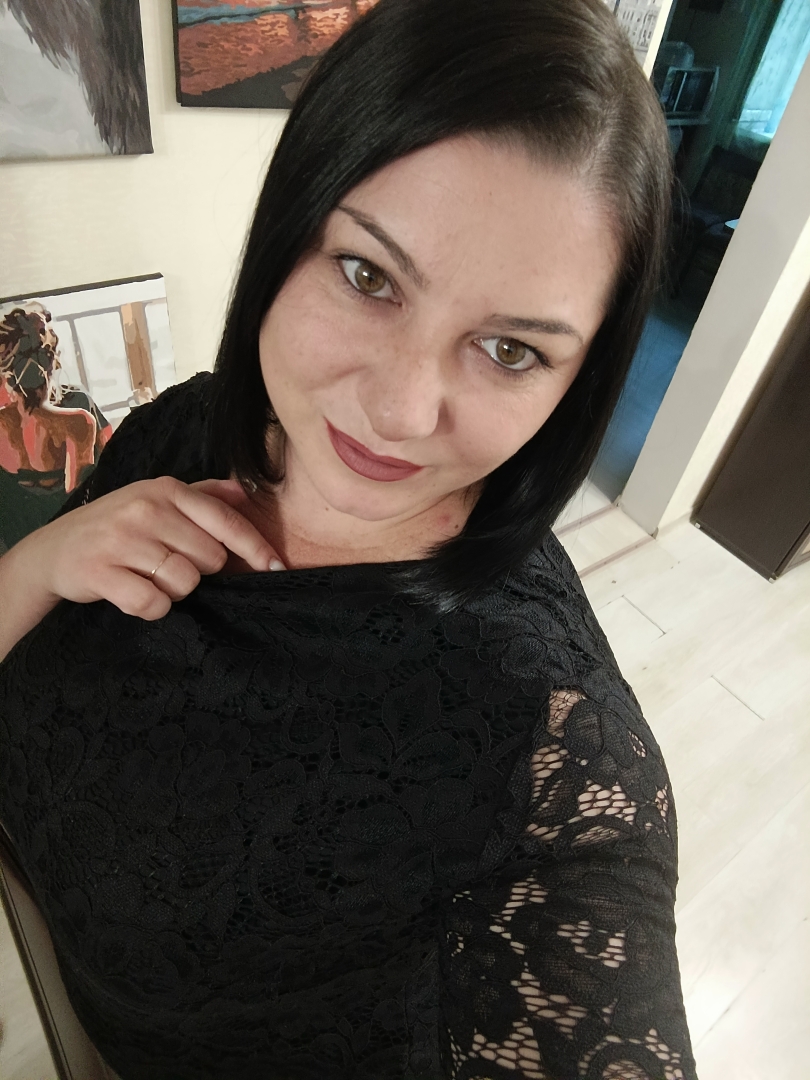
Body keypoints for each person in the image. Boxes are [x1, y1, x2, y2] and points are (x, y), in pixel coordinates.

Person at [0, 1, 698, 1077]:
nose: (399, 411)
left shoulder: (544, 757)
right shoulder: (180, 427)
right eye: (369, 277)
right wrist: (37, 564)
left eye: (510, 350)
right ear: (290, 229)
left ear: (579, 381)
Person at [0, 307, 100, 550]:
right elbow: (84, 504)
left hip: (14, 555)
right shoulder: (78, 423)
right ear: (52, 363)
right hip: (68, 547)